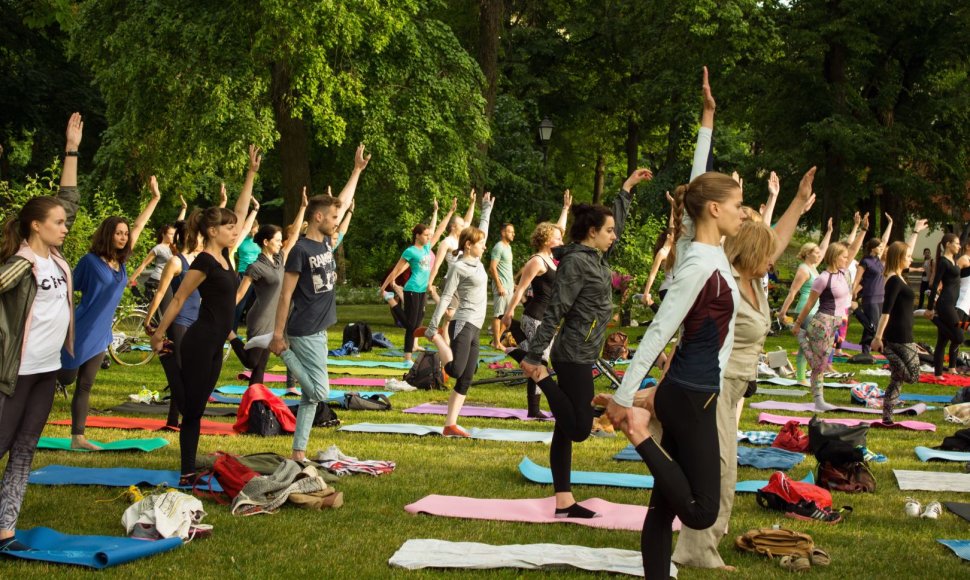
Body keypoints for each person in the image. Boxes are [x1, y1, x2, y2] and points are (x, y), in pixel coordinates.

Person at [603, 67, 744, 579]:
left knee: (663, 506)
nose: (743, 214)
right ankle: (641, 433)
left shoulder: (698, 244)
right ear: (714, 210)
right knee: (700, 509)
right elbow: (659, 329)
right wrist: (625, 401)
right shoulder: (698, 265)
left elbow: (694, 188)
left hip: (689, 387)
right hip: (689, 394)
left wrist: (707, 120)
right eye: (738, 206)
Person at [516, 165, 649, 519]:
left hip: (582, 350)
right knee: (577, 429)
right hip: (573, 353)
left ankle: (564, 502)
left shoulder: (593, 256)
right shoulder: (577, 264)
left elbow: (611, 221)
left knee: (564, 428)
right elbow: (556, 309)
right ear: (592, 233)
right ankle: (539, 377)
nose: (614, 236)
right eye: (608, 231)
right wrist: (534, 357)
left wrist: (626, 191)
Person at [150, 145, 259, 481]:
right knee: (192, 410)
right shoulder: (204, 261)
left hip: (217, 343)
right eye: (228, 228)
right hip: (200, 339)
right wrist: (158, 334)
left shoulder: (227, 257)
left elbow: (239, 213)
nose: (234, 231)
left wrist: (250, 175)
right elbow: (180, 298)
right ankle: (186, 471)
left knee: (196, 408)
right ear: (213, 232)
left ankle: (187, 467)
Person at [0, 113, 83, 552]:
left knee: (25, 452)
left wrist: (71, 149)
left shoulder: (54, 260)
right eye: (58, 224)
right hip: (14, 373)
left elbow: (67, 200)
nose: (66, 226)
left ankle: (5, 528)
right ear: (37, 225)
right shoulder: (21, 263)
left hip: (46, 370)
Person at [269, 145, 370, 461]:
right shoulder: (299, 250)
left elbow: (343, 198)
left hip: (320, 329)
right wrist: (278, 337)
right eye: (333, 217)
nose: (336, 220)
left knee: (312, 399)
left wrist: (356, 170)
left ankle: (298, 452)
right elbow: (285, 295)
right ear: (318, 217)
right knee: (320, 392)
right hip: (304, 330)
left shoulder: (326, 241)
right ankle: (283, 354)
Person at [59, 176, 161, 450]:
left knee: (85, 386)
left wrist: (155, 199)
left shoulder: (122, 262)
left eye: (125, 234)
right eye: (118, 233)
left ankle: (78, 437)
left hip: (101, 334)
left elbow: (139, 226)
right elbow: (68, 289)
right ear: (108, 234)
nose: (124, 237)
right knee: (63, 378)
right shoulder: (90, 262)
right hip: (79, 330)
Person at [422, 194, 494, 436]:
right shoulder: (458, 267)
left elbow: (481, 231)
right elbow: (445, 298)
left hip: (475, 326)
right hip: (462, 324)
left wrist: (486, 209)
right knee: (454, 371)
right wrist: (433, 327)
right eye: (480, 244)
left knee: (467, 376)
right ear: (468, 246)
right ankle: (438, 340)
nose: (484, 246)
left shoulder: (478, 261)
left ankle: (449, 425)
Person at [501, 191, 571, 417]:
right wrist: (508, 313)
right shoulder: (537, 261)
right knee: (538, 363)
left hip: (547, 318)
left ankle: (533, 408)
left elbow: (558, 230)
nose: (561, 240)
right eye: (557, 239)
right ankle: (533, 409)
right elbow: (520, 289)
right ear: (546, 240)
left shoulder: (552, 258)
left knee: (539, 363)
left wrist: (565, 210)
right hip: (535, 317)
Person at [231, 189, 308, 385]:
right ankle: (230, 335)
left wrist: (302, 208)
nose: (280, 244)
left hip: (275, 320)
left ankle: (254, 405)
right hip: (260, 319)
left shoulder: (280, 259)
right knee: (251, 362)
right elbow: (240, 293)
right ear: (266, 242)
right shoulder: (255, 267)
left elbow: (293, 237)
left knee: (260, 367)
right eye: (276, 240)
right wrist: (223, 312)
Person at [380, 198, 454, 364]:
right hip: (412, 289)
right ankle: (407, 356)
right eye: (425, 235)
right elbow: (397, 269)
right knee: (411, 324)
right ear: (417, 235)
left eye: (429, 235)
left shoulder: (427, 247)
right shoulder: (411, 251)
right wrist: (385, 286)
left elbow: (438, 229)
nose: (429, 237)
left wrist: (444, 212)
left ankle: (407, 356)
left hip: (421, 291)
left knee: (416, 321)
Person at [143, 221, 203, 428]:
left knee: (189, 370)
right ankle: (174, 419)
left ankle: (174, 419)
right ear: (190, 237)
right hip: (179, 320)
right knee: (179, 368)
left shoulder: (198, 259)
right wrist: (148, 318)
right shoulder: (175, 262)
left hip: (196, 319)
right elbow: (161, 292)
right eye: (199, 236)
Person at [872, 222, 928, 423]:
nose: (911, 259)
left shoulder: (899, 277)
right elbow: (886, 312)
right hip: (899, 336)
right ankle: (886, 351)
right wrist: (879, 338)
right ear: (899, 259)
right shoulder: (893, 280)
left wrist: (915, 232)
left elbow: (904, 250)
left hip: (903, 333)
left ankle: (887, 417)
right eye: (908, 257)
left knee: (896, 380)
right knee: (912, 376)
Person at [792, 242, 854, 411]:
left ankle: (802, 339)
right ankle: (819, 400)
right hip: (822, 323)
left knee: (822, 362)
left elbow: (853, 249)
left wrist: (862, 229)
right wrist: (798, 324)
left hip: (834, 324)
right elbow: (810, 303)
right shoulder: (823, 278)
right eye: (844, 256)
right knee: (819, 366)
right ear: (835, 257)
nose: (847, 259)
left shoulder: (844, 273)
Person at [777, 220, 833, 384]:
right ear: (807, 254)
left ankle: (802, 377)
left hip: (814, 309)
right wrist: (783, 312)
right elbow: (793, 292)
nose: (819, 255)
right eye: (815, 252)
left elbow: (823, 250)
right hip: (805, 310)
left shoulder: (813, 267)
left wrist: (829, 232)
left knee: (806, 345)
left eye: (818, 252)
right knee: (815, 343)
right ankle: (812, 375)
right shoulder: (803, 269)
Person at [426, 189, 481, 343]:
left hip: (464, 282)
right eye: (461, 225)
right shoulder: (446, 242)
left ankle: (447, 345)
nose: (464, 227)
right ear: (453, 227)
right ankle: (442, 337)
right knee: (450, 315)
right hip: (451, 281)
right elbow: (436, 264)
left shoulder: (462, 240)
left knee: (452, 318)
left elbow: (468, 221)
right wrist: (430, 283)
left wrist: (472, 203)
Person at [927, 233, 963, 377]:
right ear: (948, 244)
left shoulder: (952, 260)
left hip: (951, 303)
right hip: (945, 303)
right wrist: (930, 307)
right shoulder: (943, 261)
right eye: (957, 243)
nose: (959, 246)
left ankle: (938, 373)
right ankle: (934, 318)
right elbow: (935, 284)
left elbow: (965, 236)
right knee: (959, 337)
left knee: (942, 340)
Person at [489, 222, 515, 349]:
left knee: (509, 316)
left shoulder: (508, 247)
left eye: (513, 231)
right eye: (510, 231)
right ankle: (497, 342)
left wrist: (513, 284)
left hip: (509, 287)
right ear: (503, 232)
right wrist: (499, 286)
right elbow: (492, 268)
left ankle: (497, 340)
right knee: (499, 315)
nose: (513, 234)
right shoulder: (498, 247)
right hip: (501, 287)